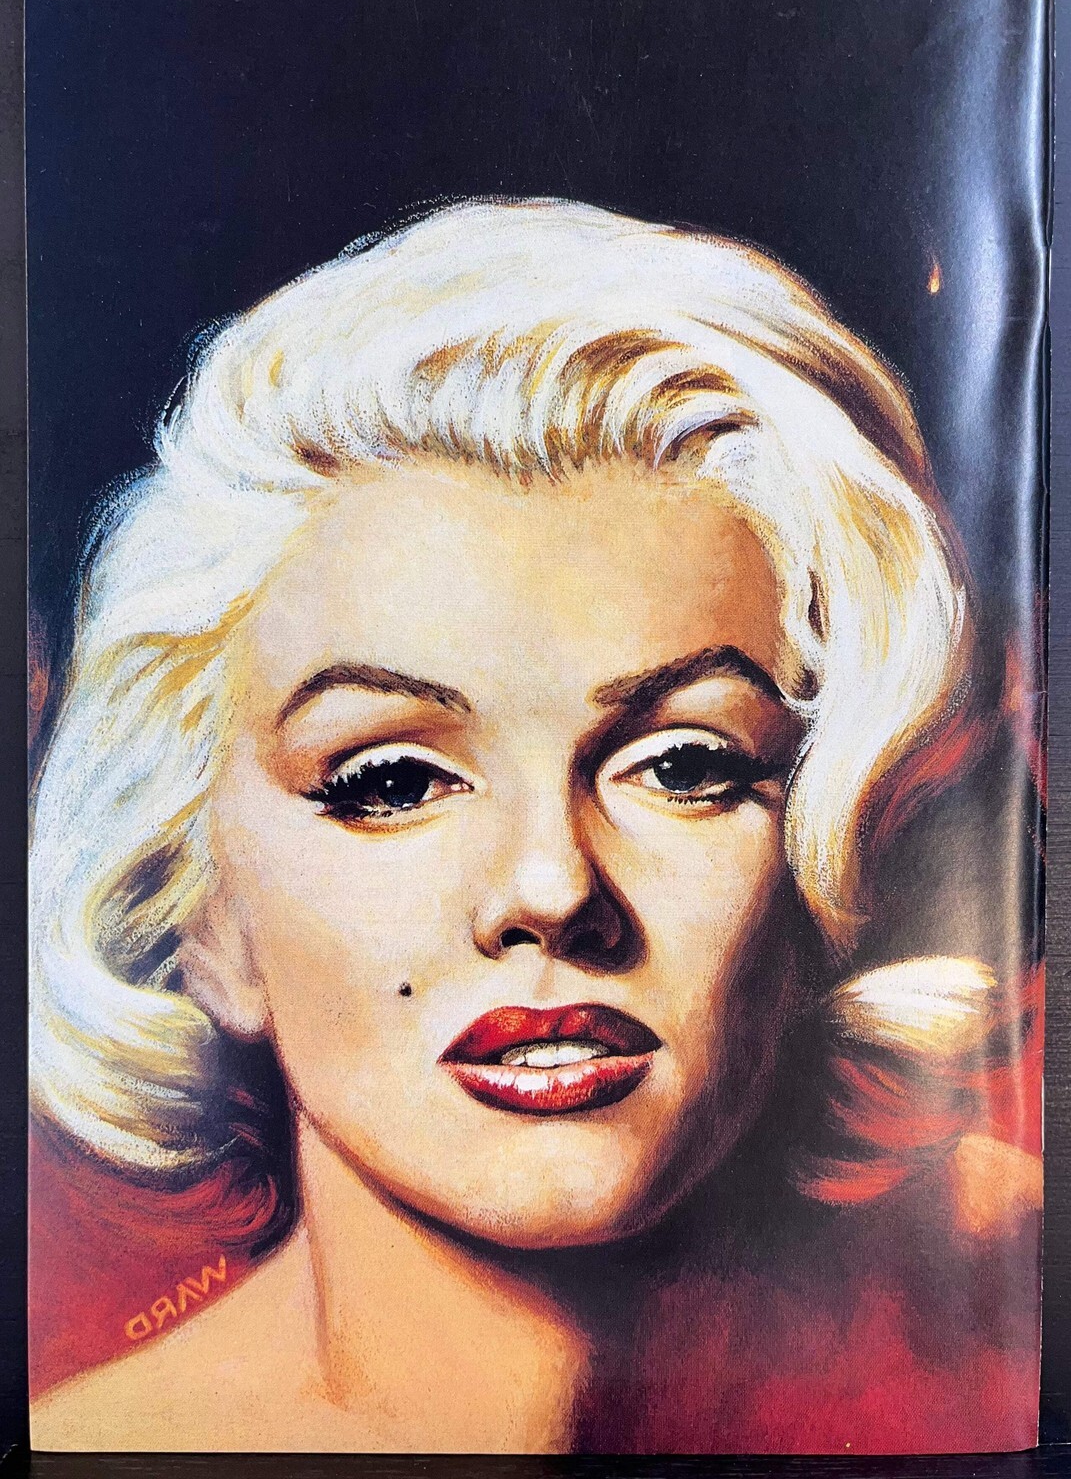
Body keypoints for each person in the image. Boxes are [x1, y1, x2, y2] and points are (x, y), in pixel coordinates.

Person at [30, 199, 1041, 1454]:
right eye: (392, 781)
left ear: (833, 846)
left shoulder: (1004, 1341)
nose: (552, 889)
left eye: (683, 764)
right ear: (207, 914)